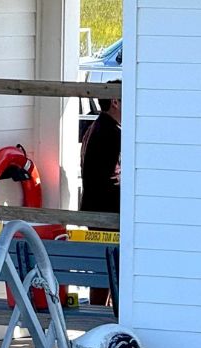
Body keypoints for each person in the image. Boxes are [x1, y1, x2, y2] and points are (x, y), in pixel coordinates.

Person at [80, 79, 121, 307]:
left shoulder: (94, 128)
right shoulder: (112, 134)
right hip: (107, 214)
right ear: (115, 101)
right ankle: (110, 318)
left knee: (103, 271)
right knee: (113, 270)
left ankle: (99, 316)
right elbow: (110, 179)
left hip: (93, 208)